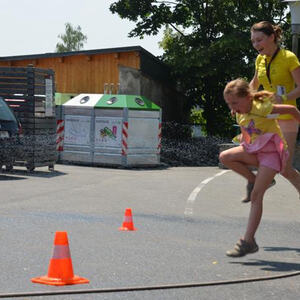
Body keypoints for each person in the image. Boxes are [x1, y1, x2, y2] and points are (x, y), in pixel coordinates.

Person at [219, 78, 300, 257]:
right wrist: (243, 136)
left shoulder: (263, 108)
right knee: (225, 156)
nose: (231, 107)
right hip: (254, 150)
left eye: (234, 102)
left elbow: (293, 110)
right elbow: (248, 127)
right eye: (228, 103)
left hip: (272, 153)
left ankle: (248, 241)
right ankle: (255, 179)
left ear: (248, 97)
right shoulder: (239, 112)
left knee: (256, 196)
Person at [240, 20, 300, 203]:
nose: (256, 45)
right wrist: (241, 101)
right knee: (248, 150)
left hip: (287, 117)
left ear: (272, 37)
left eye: (259, 40)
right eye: (253, 41)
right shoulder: (260, 60)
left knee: (286, 168)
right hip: (267, 117)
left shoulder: (288, 58)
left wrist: (284, 97)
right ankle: (263, 179)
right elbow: (254, 84)